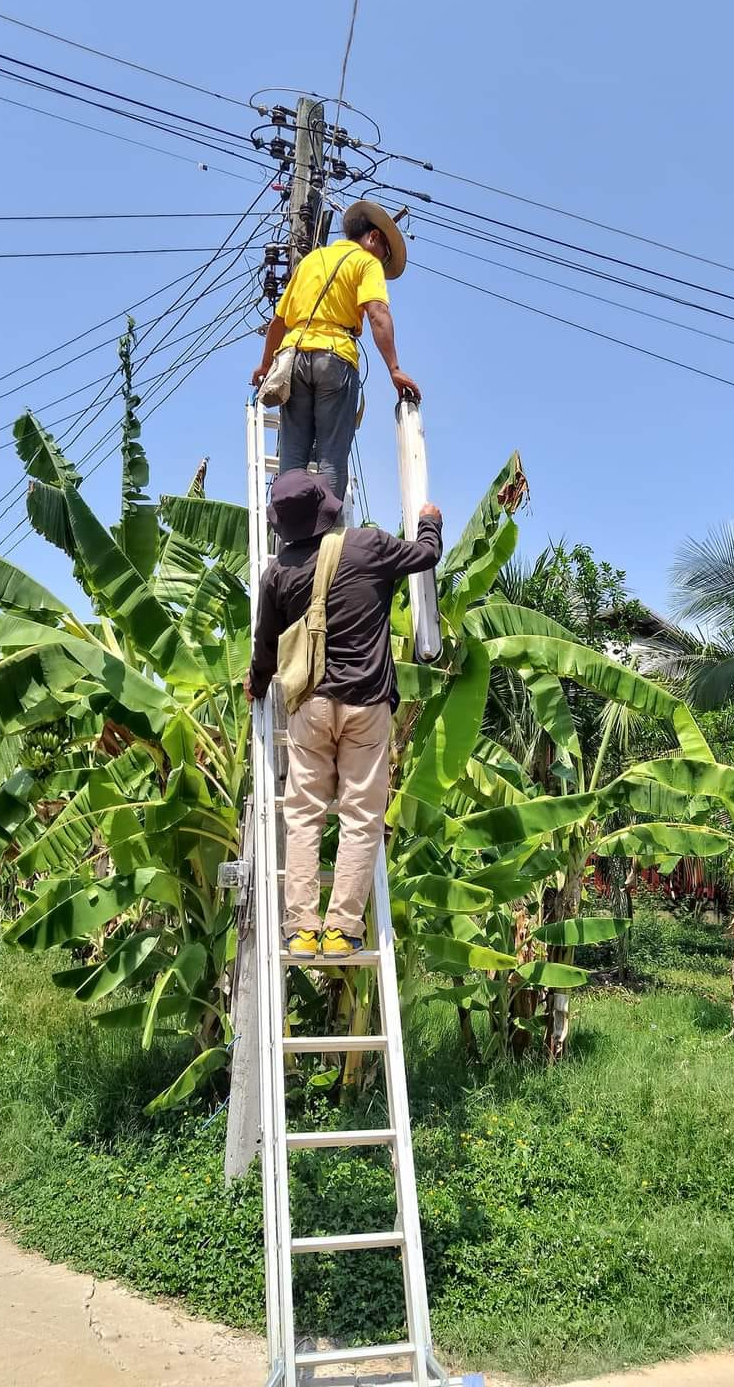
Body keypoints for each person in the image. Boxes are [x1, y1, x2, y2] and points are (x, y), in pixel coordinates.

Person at [246, 469, 442, 958]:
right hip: (367, 706)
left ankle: (300, 929)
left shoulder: (277, 574)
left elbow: (265, 650)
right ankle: (342, 929)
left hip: (310, 707)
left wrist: (257, 681)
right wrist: (430, 522)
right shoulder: (368, 546)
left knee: (304, 815)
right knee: (360, 817)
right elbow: (426, 556)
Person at [251, 200, 421, 501]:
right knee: (331, 457)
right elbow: (377, 312)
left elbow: (278, 322)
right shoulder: (366, 263)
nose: (382, 261)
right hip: (335, 357)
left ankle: (292, 536)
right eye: (385, 255)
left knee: (292, 457)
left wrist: (265, 366)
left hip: (293, 359)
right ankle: (326, 539)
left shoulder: (311, 261)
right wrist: (394, 369)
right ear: (375, 238)